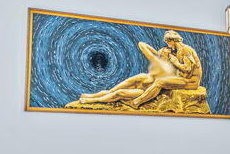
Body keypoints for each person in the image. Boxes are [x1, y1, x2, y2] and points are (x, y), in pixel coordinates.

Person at [75, 30, 207, 111]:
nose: (167, 47)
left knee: (122, 92)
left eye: (168, 43)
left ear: (172, 41)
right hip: (161, 80)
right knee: (127, 84)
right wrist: (162, 55)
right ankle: (92, 96)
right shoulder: (166, 59)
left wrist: (173, 61)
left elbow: (188, 70)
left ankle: (136, 103)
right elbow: (142, 45)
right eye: (166, 45)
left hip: (189, 81)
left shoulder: (184, 52)